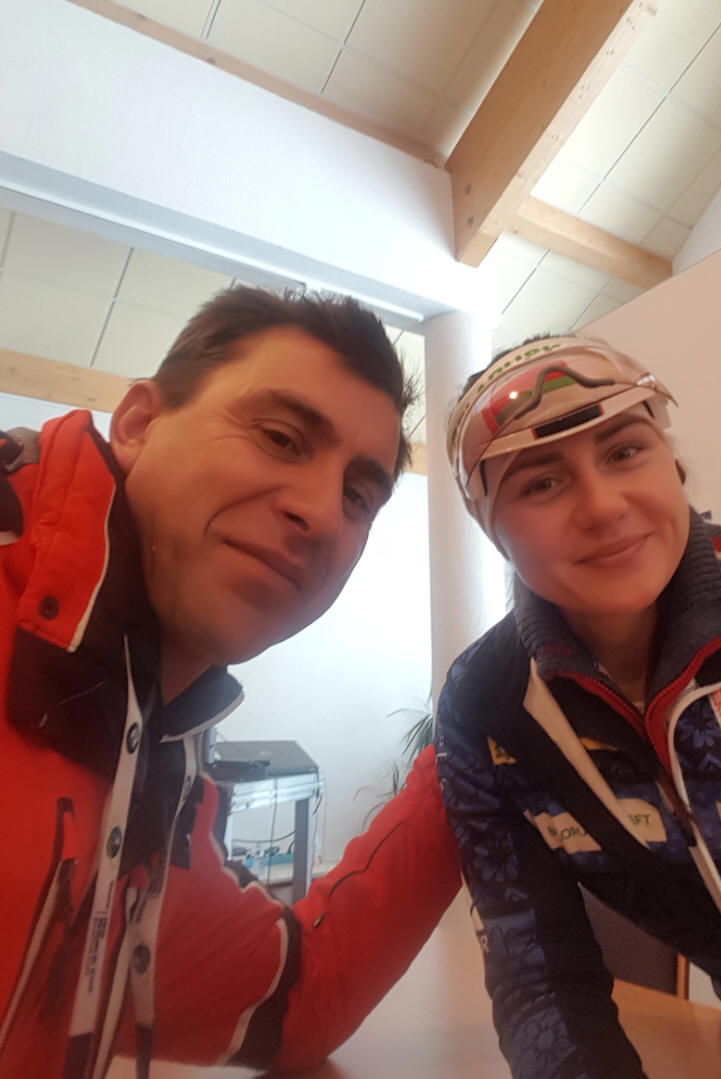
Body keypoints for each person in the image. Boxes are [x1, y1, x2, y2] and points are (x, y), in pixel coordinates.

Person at [0, 285, 461, 1079]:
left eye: (358, 495)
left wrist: (477, 741)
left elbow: (293, 997)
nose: (323, 514)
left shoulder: (143, 783)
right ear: (138, 423)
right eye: (279, 437)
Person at [436, 334, 721, 1078]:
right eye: (541, 483)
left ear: (671, 464)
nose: (603, 506)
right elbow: (539, 971)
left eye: (624, 451)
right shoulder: (485, 709)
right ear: (494, 531)